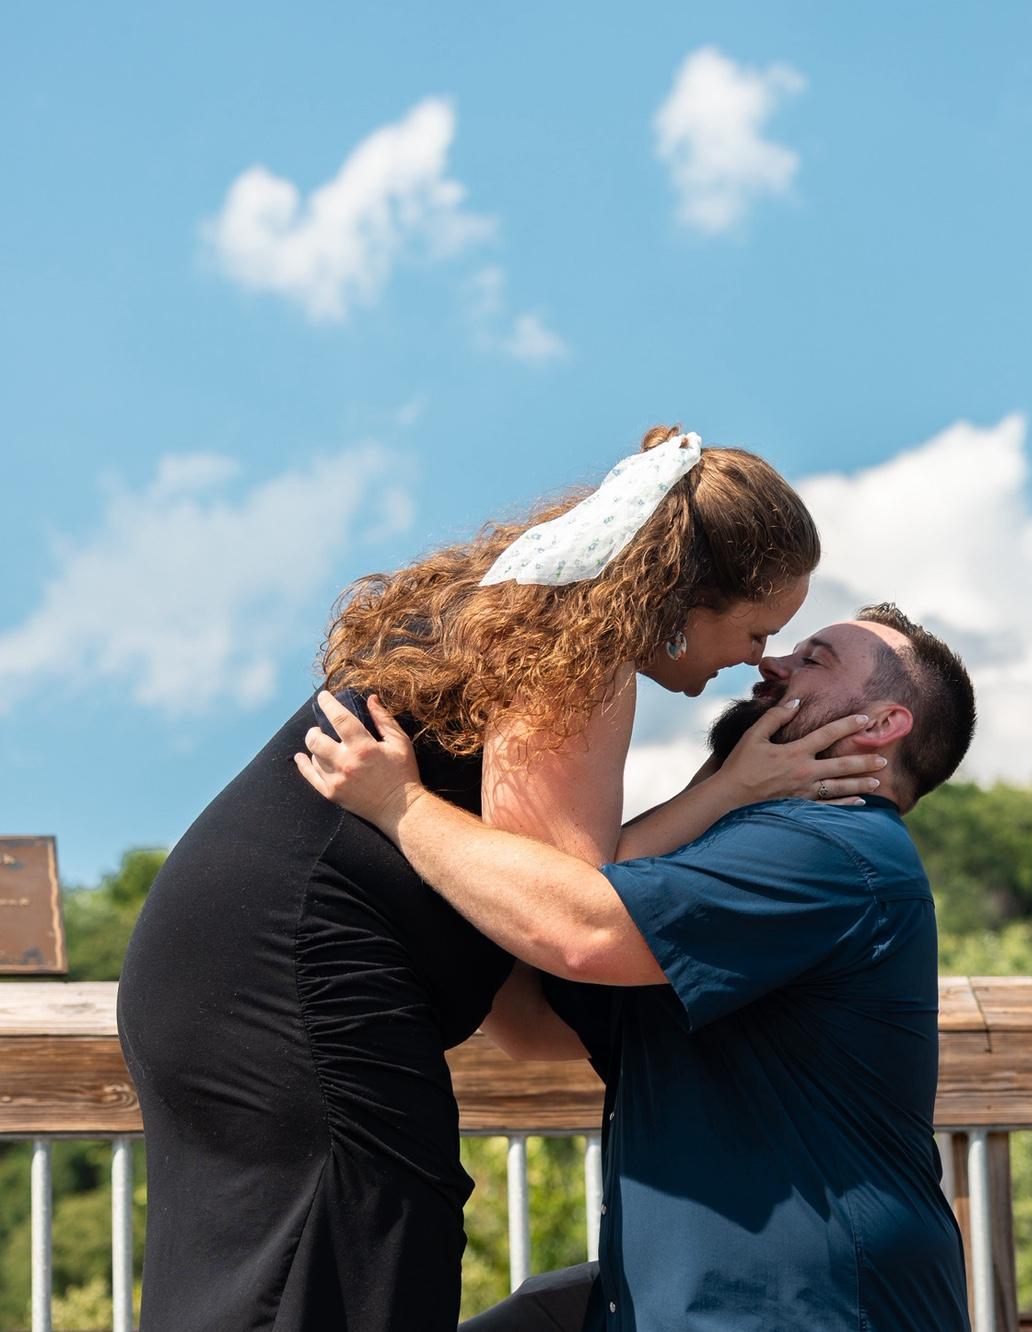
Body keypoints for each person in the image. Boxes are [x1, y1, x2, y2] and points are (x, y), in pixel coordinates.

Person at [117, 426, 886, 1332]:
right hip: (291, 980)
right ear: (685, 598)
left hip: (217, 973)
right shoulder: (580, 654)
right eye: (756, 630)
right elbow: (565, 908)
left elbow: (525, 1007)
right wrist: (730, 791)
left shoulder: (530, 614)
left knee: (287, 1267)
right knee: (362, 1243)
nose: (756, 659)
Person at [299, 603, 978, 1332]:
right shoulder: (742, 848)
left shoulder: (834, 849)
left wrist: (401, 806)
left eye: (814, 659)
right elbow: (535, 1022)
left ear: (881, 725)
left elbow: (580, 931)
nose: (772, 662)